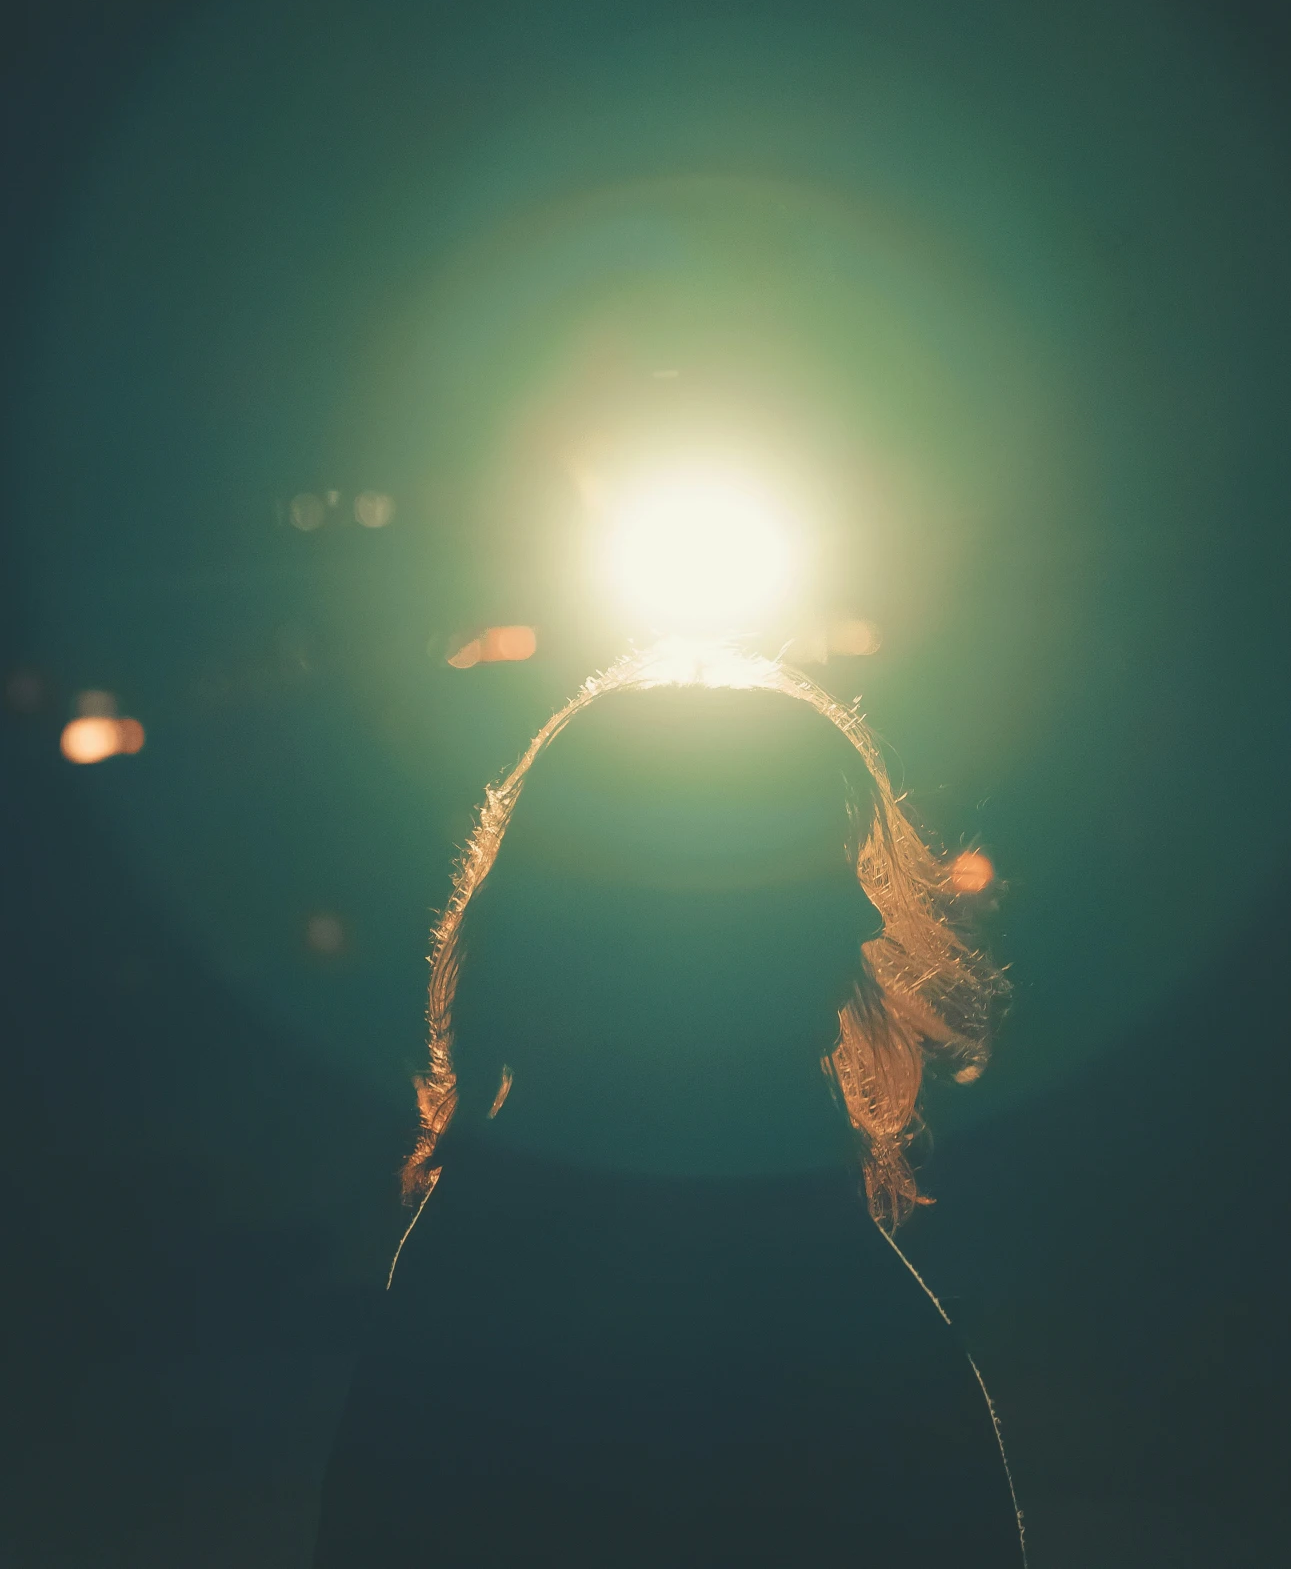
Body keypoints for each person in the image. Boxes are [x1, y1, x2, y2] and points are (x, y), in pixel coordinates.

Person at [312, 647, 1025, 1566]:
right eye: (815, 867)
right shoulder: (699, 1258)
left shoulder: (514, 1223)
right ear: (688, 919)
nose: (865, 918)